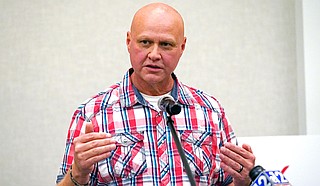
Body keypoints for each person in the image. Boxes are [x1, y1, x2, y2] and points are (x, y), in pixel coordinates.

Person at [56, 2, 255, 186]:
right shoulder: (93, 113)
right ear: (128, 42)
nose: (154, 54)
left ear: (182, 47)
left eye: (166, 44)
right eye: (145, 42)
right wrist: (79, 172)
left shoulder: (209, 111)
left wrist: (244, 180)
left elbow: (228, 181)